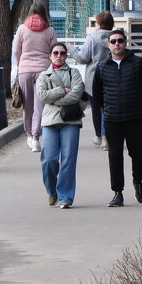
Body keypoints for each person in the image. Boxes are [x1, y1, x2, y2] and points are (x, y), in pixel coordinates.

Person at [93, 28, 142, 207]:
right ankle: (117, 192)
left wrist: (138, 104)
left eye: (120, 41)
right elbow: (97, 93)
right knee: (115, 156)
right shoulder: (103, 66)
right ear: (108, 45)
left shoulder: (137, 63)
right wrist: (109, 107)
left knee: (137, 153)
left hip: (134, 117)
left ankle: (138, 181)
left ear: (125, 43)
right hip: (112, 119)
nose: (117, 44)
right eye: (113, 42)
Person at [35, 42, 85, 209]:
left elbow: (77, 94)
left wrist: (56, 98)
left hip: (71, 120)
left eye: (62, 53)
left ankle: (65, 196)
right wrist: (62, 90)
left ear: (66, 55)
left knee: (68, 159)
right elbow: (42, 96)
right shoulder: (44, 76)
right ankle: (52, 191)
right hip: (50, 121)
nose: (59, 55)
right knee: (48, 159)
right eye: (55, 53)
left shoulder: (74, 73)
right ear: (50, 55)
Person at [12, 1, 58, 152]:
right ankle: (37, 137)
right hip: (43, 70)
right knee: (40, 106)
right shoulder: (49, 30)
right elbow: (55, 52)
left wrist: (21, 65)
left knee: (27, 105)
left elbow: (16, 51)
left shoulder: (22, 29)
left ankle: (29, 134)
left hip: (25, 70)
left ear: (30, 12)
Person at [70, 10, 113, 150]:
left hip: (93, 79)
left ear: (99, 24)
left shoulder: (92, 38)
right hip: (111, 78)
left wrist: (72, 50)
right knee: (107, 108)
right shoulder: (115, 38)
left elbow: (83, 58)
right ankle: (107, 136)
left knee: (96, 109)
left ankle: (99, 136)